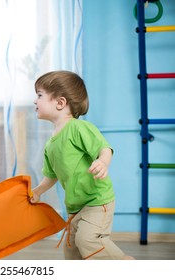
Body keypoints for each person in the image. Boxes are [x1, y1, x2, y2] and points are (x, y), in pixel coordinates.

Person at [30, 70, 134, 260]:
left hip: (96, 200)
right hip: (75, 206)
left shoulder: (79, 128)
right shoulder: (51, 143)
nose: (35, 101)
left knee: (87, 240)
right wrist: (37, 191)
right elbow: (51, 175)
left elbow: (104, 148)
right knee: (72, 250)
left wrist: (102, 162)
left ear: (60, 103)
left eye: (39, 95)